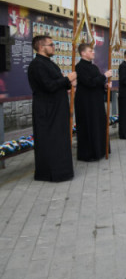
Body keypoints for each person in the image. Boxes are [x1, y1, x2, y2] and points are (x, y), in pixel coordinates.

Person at [27, 35, 76, 182]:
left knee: (60, 141)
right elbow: (48, 85)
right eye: (51, 45)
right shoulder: (37, 65)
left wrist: (69, 82)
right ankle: (50, 173)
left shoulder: (50, 63)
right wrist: (67, 79)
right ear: (41, 47)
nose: (54, 47)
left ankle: (63, 171)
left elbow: (58, 82)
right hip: (47, 110)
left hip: (58, 108)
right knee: (51, 141)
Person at [74, 43, 111, 162]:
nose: (93, 52)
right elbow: (89, 82)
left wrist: (105, 85)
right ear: (83, 53)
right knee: (89, 126)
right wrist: (105, 76)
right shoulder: (79, 67)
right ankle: (88, 153)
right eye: (90, 51)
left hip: (96, 101)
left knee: (98, 125)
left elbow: (97, 82)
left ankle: (99, 150)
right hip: (86, 103)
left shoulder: (94, 67)